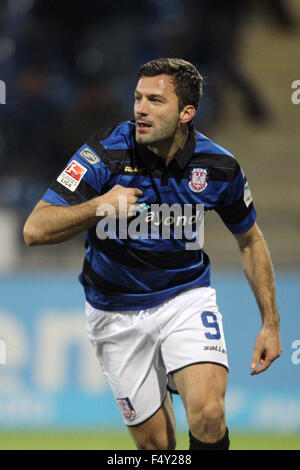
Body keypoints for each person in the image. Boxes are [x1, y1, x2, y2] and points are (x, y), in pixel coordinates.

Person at [23, 58, 282, 451]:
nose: (140, 109)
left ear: (186, 113)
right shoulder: (103, 153)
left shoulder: (219, 166)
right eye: (137, 97)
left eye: (155, 100)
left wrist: (271, 323)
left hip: (185, 298)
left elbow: (251, 240)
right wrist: (100, 205)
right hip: (115, 311)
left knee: (209, 415)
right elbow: (34, 230)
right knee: (156, 449)